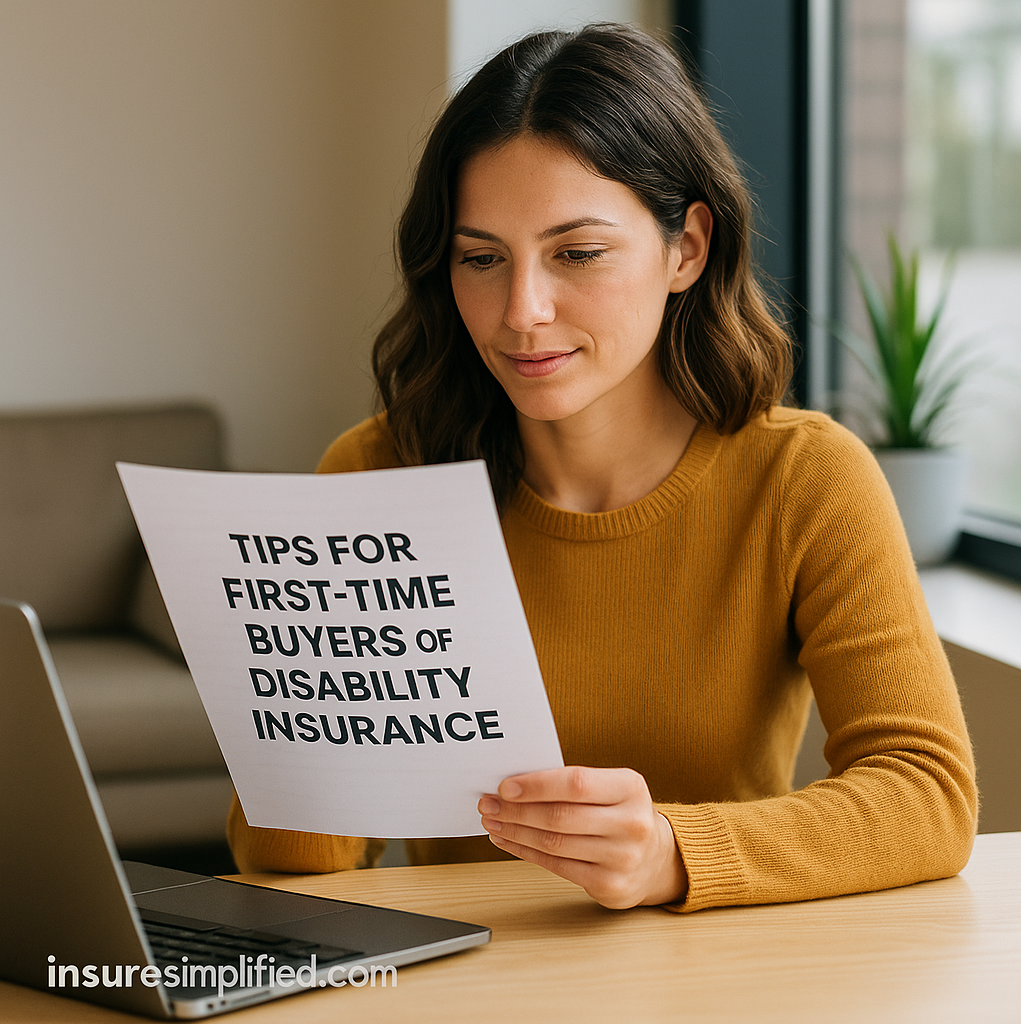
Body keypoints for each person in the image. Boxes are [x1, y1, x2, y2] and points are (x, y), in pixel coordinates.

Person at [228, 23, 976, 913]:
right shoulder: (379, 475)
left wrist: (672, 852)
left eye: (577, 254)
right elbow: (290, 858)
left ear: (686, 250)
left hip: (731, 980)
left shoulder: (806, 479)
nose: (522, 312)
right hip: (467, 980)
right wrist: (300, 695)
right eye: (481, 258)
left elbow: (927, 794)